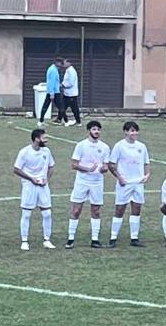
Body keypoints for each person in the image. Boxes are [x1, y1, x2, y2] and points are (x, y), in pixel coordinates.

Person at [67, 120, 110, 249]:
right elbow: (74, 165)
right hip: (82, 181)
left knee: (96, 211)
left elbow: (106, 165)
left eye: (98, 129)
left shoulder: (105, 147)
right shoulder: (81, 145)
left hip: (97, 183)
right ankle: (70, 238)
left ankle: (95, 239)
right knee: (76, 210)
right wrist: (88, 169)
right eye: (94, 129)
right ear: (89, 131)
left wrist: (104, 169)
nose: (96, 132)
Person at [107, 121, 150, 248]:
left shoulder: (142, 146)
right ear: (126, 132)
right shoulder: (119, 146)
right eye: (132, 131)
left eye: (136, 131)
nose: (134, 133)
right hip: (125, 184)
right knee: (120, 209)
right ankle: (113, 238)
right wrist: (119, 178)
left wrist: (147, 174)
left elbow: (146, 162)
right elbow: (111, 164)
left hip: (138, 183)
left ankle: (134, 238)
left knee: (136, 209)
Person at [13, 128, 55, 251]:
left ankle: (47, 240)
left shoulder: (46, 151)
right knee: (26, 214)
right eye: (44, 138)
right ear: (36, 139)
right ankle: (24, 241)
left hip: (43, 186)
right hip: (29, 186)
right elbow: (16, 169)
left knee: (47, 213)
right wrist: (31, 179)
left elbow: (51, 166)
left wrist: (46, 179)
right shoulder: (25, 152)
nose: (46, 140)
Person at [38, 57, 63, 126]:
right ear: (57, 63)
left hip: (52, 91)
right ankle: (64, 121)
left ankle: (41, 120)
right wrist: (52, 93)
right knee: (61, 107)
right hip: (54, 92)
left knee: (46, 105)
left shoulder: (52, 69)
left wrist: (58, 85)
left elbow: (53, 81)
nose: (61, 65)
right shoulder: (53, 70)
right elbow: (51, 82)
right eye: (61, 63)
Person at [61, 59, 80, 126]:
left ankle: (78, 121)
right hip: (66, 93)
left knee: (74, 108)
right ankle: (59, 119)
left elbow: (71, 83)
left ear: (69, 63)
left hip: (71, 94)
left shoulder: (72, 71)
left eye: (64, 63)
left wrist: (63, 85)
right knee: (62, 106)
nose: (63, 64)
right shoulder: (67, 70)